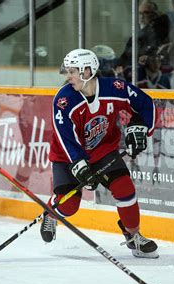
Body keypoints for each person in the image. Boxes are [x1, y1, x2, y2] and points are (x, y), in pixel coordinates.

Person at [40, 49, 158, 259]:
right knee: (69, 205)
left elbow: (145, 104)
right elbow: (65, 137)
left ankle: (134, 236)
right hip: (67, 156)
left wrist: (140, 127)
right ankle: (51, 211)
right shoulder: (64, 100)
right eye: (67, 72)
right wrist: (80, 164)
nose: (68, 77)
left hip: (103, 150)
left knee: (125, 188)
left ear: (87, 71)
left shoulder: (116, 88)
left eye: (72, 72)